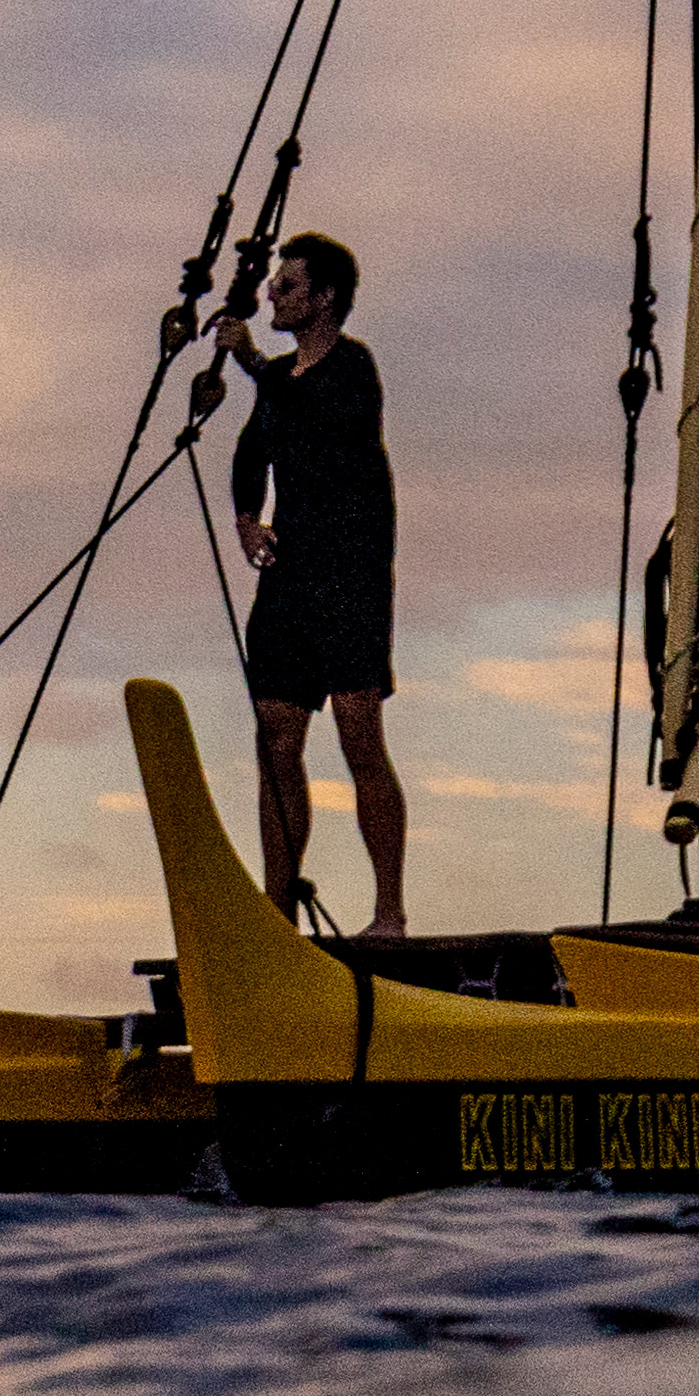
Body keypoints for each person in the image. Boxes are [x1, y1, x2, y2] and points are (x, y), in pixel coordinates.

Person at [227, 232, 405, 935]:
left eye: (288, 286)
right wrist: (247, 521)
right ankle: (276, 913)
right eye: (275, 286)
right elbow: (251, 452)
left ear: (324, 297)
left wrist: (249, 362)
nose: (274, 295)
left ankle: (387, 910)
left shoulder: (351, 369)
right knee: (276, 732)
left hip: (351, 575)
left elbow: (320, 421)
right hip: (292, 576)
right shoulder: (277, 385)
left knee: (360, 736)